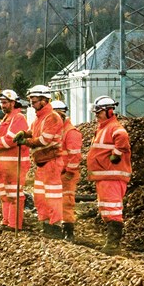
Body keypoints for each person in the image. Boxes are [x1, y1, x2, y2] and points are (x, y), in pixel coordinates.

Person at [17, 84, 66, 238]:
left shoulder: (52, 117)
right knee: (40, 197)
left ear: (44, 100)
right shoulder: (39, 118)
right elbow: (33, 132)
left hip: (52, 162)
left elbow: (44, 140)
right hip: (42, 164)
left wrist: (26, 142)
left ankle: (55, 227)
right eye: (31, 100)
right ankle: (45, 224)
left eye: (34, 100)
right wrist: (25, 133)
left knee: (52, 197)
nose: (32, 103)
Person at [86, 96, 132, 254]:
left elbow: (123, 138)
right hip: (104, 175)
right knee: (106, 209)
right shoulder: (103, 127)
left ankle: (113, 245)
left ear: (109, 111)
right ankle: (111, 242)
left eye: (99, 112)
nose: (96, 115)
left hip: (112, 176)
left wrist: (116, 154)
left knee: (112, 209)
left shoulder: (114, 127)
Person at [0, 89, 31, 231]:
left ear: (13, 103)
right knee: (5, 194)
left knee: (14, 195)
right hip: (4, 164)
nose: (2, 105)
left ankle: (14, 224)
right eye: (1, 103)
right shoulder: (7, 118)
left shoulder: (18, 118)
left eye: (5, 103)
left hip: (15, 164)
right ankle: (6, 221)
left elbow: (10, 139)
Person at [53, 100, 83, 241]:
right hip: (56, 172)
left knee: (66, 201)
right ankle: (57, 227)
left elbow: (75, 155)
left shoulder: (71, 132)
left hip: (66, 173)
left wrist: (69, 172)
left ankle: (68, 231)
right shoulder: (57, 131)